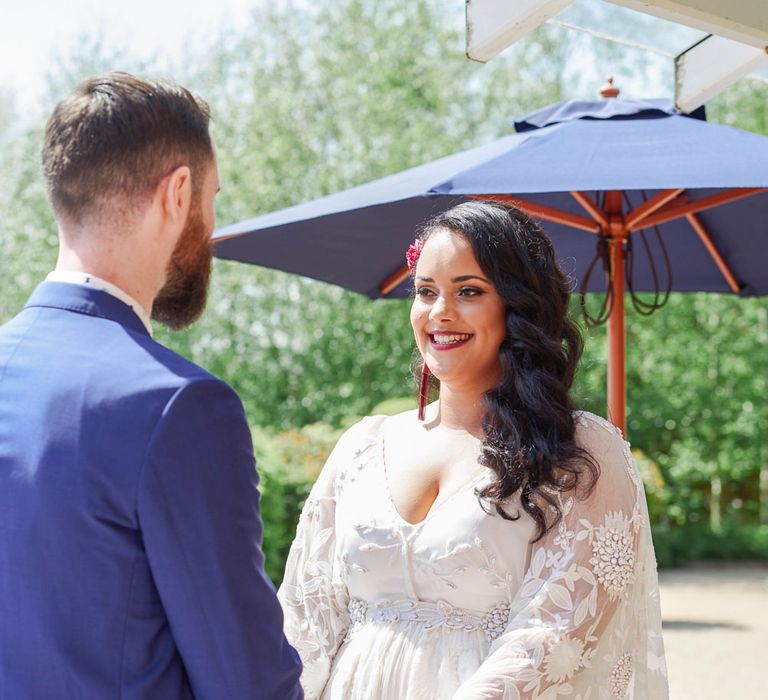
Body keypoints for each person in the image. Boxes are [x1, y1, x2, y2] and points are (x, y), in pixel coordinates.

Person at [278, 200, 668, 699]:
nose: (439, 312)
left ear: (518, 305)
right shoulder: (361, 445)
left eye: (468, 291)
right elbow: (302, 617)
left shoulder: (579, 451)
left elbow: (553, 637)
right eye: (425, 291)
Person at [0, 73, 302, 699]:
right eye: (213, 198)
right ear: (178, 192)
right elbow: (245, 682)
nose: (212, 226)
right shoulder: (179, 405)